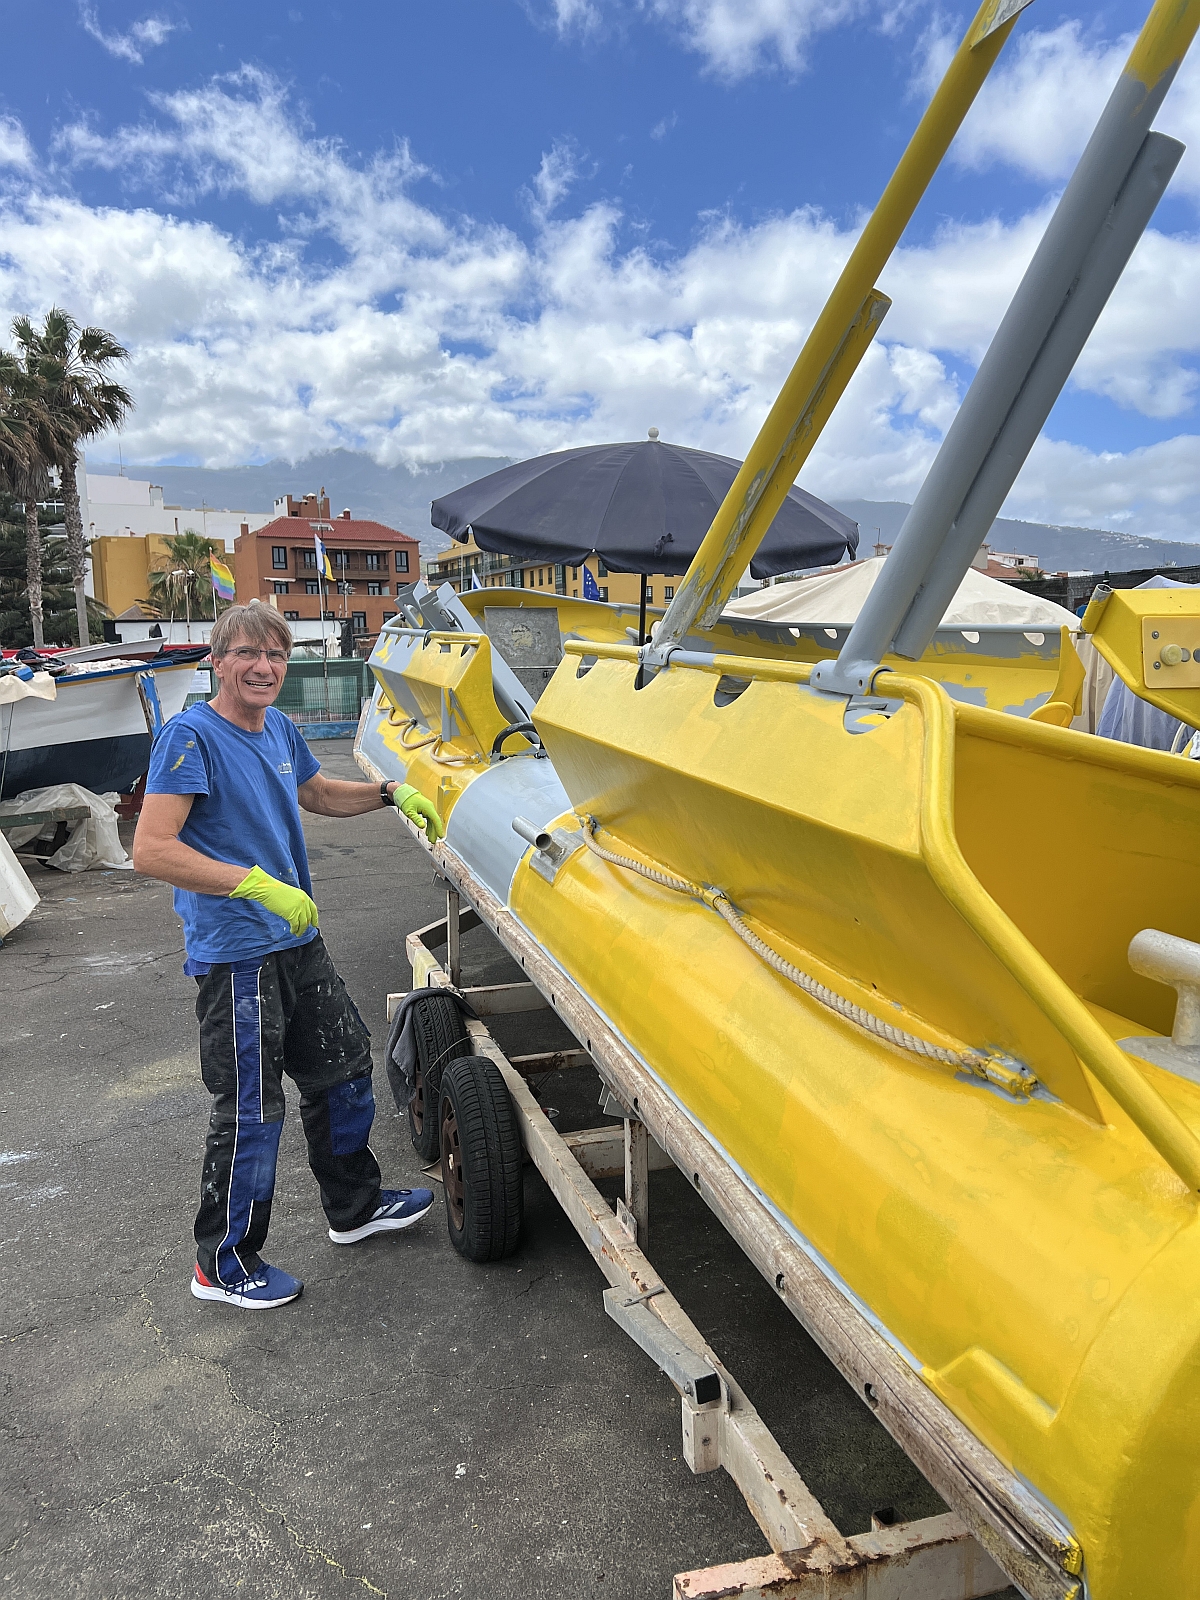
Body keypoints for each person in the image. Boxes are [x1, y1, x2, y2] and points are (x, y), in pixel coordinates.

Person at [133, 602, 444, 1310]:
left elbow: (316, 792)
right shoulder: (190, 737)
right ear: (218, 661)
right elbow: (152, 849)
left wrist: (391, 794)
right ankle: (223, 1263)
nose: (265, 667)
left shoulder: (277, 726)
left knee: (342, 1068)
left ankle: (355, 1207)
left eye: (276, 655)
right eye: (247, 653)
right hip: (240, 954)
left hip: (298, 942)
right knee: (250, 1107)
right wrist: (254, 885)